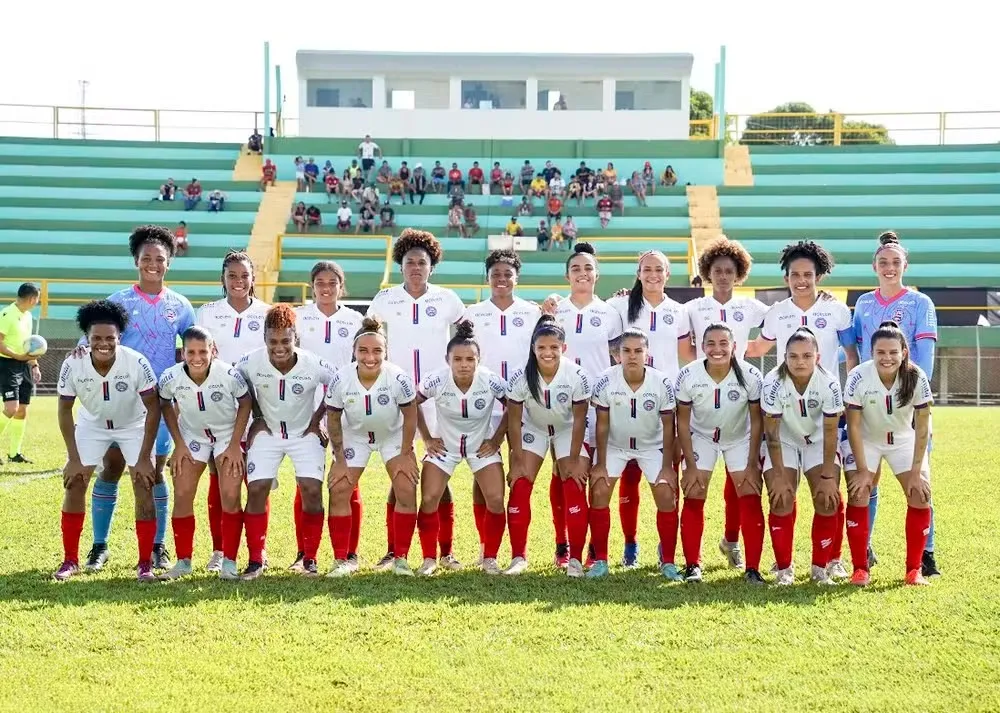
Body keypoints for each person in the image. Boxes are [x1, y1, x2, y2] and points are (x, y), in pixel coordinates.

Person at [77, 225, 195, 573]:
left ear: (169, 263)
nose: (153, 264)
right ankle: (99, 546)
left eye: (160, 259)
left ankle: (158, 546)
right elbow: (96, 342)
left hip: (158, 404)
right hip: (120, 402)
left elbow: (189, 354)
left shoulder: (181, 306)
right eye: (146, 258)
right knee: (112, 468)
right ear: (136, 261)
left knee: (154, 473)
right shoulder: (118, 302)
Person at [746, 239, 858, 579]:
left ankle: (832, 558)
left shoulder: (837, 310)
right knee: (782, 493)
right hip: (784, 411)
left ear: (819, 276)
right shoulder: (778, 312)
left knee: (829, 492)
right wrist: (721, 350)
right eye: (795, 274)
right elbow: (756, 347)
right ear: (786, 277)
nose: (801, 280)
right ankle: (784, 566)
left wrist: (851, 399)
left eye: (808, 274)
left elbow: (851, 356)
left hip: (825, 408)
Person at [366, 230, 466, 570]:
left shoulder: (448, 299)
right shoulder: (384, 300)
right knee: (402, 474)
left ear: (432, 266)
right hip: (396, 396)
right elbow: (367, 337)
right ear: (400, 265)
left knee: (439, 472)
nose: (416, 268)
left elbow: (468, 337)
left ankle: (446, 551)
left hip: (438, 396)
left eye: (422, 262)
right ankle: (395, 549)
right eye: (410, 262)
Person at [851, 231, 940, 577]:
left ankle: (926, 554)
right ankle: (865, 550)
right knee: (865, 482)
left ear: (905, 265)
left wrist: (912, 394)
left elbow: (926, 362)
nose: (889, 268)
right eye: (883, 262)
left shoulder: (920, 303)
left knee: (920, 481)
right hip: (869, 405)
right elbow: (858, 350)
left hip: (907, 407)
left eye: (895, 262)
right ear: (874, 266)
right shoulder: (863, 303)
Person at [53, 300, 161, 582]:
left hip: (132, 424)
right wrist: (73, 458)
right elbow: (64, 409)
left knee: (143, 481)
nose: (103, 343)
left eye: (110, 338)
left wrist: (143, 458)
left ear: (119, 338)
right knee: (75, 480)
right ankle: (70, 560)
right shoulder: (72, 363)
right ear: (86, 339)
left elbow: (153, 408)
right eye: (96, 338)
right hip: (93, 424)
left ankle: (145, 563)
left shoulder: (136, 361)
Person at [606, 251, 693, 568]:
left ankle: (665, 547)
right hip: (627, 404)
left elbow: (687, 354)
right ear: (638, 273)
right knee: (628, 479)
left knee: (668, 477)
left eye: (659, 269)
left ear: (667, 274)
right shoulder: (620, 305)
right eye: (647, 269)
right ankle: (630, 545)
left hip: (666, 406)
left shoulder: (678, 311)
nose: (653, 274)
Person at [685, 236, 767, 570]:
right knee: (695, 485)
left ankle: (731, 541)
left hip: (739, 398)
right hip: (703, 398)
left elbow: (783, 316)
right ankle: (691, 560)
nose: (722, 276)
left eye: (729, 271)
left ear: (739, 274)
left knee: (740, 483)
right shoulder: (693, 308)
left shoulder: (751, 307)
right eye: (716, 270)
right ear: (707, 273)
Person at [237, 305, 335, 579]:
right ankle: (256, 560)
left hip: (304, 433)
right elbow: (236, 382)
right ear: (265, 339)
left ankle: (310, 559)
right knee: (256, 490)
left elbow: (340, 382)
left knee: (312, 491)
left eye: (285, 341)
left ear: (296, 339)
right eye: (273, 342)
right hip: (267, 433)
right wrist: (255, 414)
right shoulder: (250, 361)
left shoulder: (313, 362)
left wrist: (318, 419)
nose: (279, 348)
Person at [543, 243, 624, 568]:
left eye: (588, 268)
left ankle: (594, 549)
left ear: (596, 274)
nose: (582, 273)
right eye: (576, 268)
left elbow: (619, 357)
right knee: (562, 471)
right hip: (560, 403)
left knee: (596, 473)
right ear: (567, 275)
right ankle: (563, 544)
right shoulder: (554, 310)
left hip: (598, 403)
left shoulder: (610, 312)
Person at [325, 317, 419, 577]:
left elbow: (411, 415)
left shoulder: (398, 377)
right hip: (355, 437)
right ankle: (342, 560)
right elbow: (332, 417)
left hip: (392, 436)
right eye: (363, 350)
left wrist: (405, 453)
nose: (370, 357)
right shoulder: (341, 378)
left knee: (406, 488)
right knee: (340, 488)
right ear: (354, 352)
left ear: (385, 352)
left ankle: (400, 559)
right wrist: (340, 459)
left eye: (377, 350)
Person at [194, 251, 270, 571]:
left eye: (244, 276)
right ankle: (220, 550)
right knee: (220, 479)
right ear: (222, 279)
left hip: (261, 408)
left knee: (257, 480)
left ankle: (257, 551)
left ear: (253, 279)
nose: (238, 281)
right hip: (219, 409)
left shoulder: (268, 313)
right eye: (232, 276)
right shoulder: (207, 313)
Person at [157, 327, 252, 580]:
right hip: (193, 437)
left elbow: (245, 402)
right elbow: (165, 403)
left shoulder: (229, 374)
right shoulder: (170, 377)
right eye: (191, 352)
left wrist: (234, 444)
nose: (196, 357)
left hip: (226, 435)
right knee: (183, 493)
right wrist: (178, 443)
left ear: (213, 351)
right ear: (183, 352)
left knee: (231, 495)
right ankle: (183, 562)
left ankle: (229, 562)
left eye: (203, 351)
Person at [463, 249, 540, 560]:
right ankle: (487, 546)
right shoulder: (473, 313)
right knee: (484, 477)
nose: (502, 279)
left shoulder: (532, 313)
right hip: (486, 406)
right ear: (487, 277)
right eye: (495, 273)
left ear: (516, 277)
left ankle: (520, 551)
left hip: (526, 404)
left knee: (520, 475)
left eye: (507, 273)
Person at [843, 321, 934, 586]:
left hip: (904, 440)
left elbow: (922, 428)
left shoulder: (916, 377)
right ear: (872, 353)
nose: (887, 357)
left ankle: (913, 570)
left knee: (920, 494)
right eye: (881, 352)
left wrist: (917, 472)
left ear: (904, 352)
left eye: (893, 352)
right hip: (867, 441)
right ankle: (860, 569)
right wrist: (862, 471)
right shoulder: (859, 376)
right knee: (858, 492)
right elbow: (854, 425)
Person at [415, 322, 509, 575]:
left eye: (470, 358)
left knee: (496, 499)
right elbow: (412, 403)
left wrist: (497, 439)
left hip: (481, 447)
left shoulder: (490, 380)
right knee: (429, 498)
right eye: (457, 358)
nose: (464, 364)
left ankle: (489, 558)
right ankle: (429, 559)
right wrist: (427, 437)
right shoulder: (436, 379)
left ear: (479, 359)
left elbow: (515, 405)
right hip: (445, 447)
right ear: (448, 359)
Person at [675, 323, 765, 584]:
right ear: (702, 347)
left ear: (734, 347)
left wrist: (751, 464)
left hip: (739, 438)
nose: (717, 349)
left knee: (749, 493)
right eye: (711, 344)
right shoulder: (688, 375)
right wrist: (690, 465)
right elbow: (682, 422)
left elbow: (757, 421)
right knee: (694, 491)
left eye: (724, 343)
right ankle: (693, 565)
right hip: (702, 437)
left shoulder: (750, 375)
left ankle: (752, 568)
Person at [506, 315, 593, 576]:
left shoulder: (577, 375)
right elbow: (514, 421)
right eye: (542, 347)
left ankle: (574, 559)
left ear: (563, 348)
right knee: (520, 485)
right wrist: (518, 460)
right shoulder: (521, 376)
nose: (548, 353)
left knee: (573, 484)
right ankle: (518, 557)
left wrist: (576, 459)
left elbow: (579, 421)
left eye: (554, 347)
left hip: (568, 430)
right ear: (533, 348)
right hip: (535, 430)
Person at [588, 329, 677, 579]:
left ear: (647, 354)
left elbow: (670, 426)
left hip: (652, 446)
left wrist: (668, 466)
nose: (632, 356)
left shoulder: (661, 382)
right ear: (617, 355)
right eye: (626, 351)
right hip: (616, 446)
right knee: (599, 490)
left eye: (638, 350)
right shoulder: (606, 380)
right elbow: (602, 424)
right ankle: (601, 561)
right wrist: (601, 463)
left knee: (666, 494)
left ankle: (668, 561)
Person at [294, 261, 364, 573]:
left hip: (346, 410)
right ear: (312, 286)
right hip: (305, 411)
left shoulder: (354, 319)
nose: (326, 287)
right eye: (320, 282)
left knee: (346, 480)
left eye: (332, 282)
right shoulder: (298, 316)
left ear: (341, 286)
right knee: (306, 482)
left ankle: (349, 553)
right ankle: (304, 554)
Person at [761, 327, 845, 585]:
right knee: (781, 497)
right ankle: (784, 569)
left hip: (819, 442)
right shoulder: (773, 382)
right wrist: (777, 474)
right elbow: (772, 434)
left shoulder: (829, 383)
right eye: (794, 356)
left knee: (827, 498)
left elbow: (831, 431)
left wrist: (829, 474)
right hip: (784, 441)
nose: (800, 362)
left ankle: (820, 568)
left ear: (817, 357)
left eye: (807, 356)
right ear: (784, 357)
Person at [0, 282, 41, 465]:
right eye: (37, 299)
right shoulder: (7, 314)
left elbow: (28, 345)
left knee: (22, 410)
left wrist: (34, 365)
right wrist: (17, 356)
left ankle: (14, 453)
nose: (37, 302)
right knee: (11, 408)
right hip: (8, 364)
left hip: (24, 364)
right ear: (32, 298)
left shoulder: (28, 316)